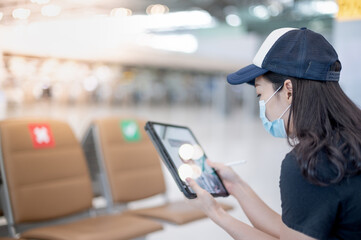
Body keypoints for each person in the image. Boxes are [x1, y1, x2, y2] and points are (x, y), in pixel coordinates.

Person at [186, 27, 361, 240]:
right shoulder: (348, 140)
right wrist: (237, 186)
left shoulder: (312, 162)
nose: (263, 106)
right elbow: (294, 231)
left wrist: (215, 213)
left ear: (288, 91)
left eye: (260, 94)